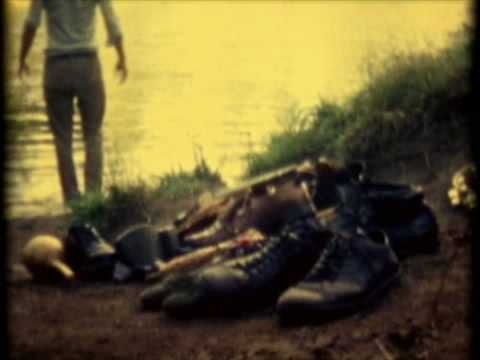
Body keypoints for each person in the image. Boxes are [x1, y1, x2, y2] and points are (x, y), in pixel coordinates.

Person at [18, 0, 127, 204]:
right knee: (93, 134)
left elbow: (31, 24)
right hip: (88, 65)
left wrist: (22, 58)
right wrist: (122, 57)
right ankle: (93, 198)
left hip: (56, 66)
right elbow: (112, 22)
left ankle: (72, 200)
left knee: (62, 138)